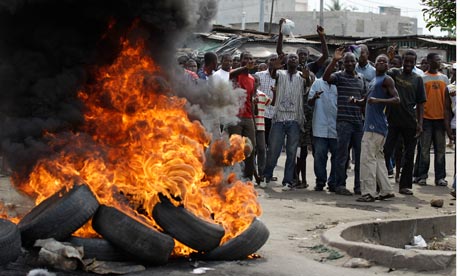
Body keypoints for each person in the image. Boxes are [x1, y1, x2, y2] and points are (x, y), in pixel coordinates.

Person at [352, 54, 400, 202]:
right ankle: (386, 190)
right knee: (378, 159)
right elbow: (365, 101)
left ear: (388, 66)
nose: (380, 63)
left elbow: (397, 99)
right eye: (378, 60)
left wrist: (378, 100)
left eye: (384, 61)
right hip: (373, 125)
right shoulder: (374, 81)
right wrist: (356, 101)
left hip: (375, 126)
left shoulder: (387, 79)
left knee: (367, 159)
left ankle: (369, 193)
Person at [323, 47, 368, 196]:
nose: (349, 64)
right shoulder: (339, 76)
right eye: (346, 61)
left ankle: (358, 186)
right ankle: (340, 184)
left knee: (360, 156)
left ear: (356, 62)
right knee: (342, 155)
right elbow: (325, 78)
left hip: (358, 122)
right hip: (343, 122)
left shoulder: (361, 78)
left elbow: (364, 101)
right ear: (343, 63)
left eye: (352, 61)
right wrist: (334, 60)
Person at [383, 49, 426, 195]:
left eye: (411, 62)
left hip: (410, 122)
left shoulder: (418, 79)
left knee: (409, 154)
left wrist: (420, 123)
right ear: (402, 61)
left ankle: (405, 185)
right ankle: (381, 184)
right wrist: (389, 57)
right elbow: (384, 73)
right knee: (386, 151)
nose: (408, 64)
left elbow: (421, 104)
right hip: (392, 121)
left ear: (415, 63)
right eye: (406, 61)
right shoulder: (394, 73)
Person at [413, 53, 453, 187]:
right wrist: (419, 121)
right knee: (424, 150)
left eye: (439, 59)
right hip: (426, 119)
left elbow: (448, 102)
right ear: (429, 61)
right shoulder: (422, 78)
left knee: (440, 150)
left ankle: (440, 177)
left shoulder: (444, 78)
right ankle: (422, 176)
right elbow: (419, 102)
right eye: (437, 59)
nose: (439, 61)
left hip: (441, 120)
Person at [307, 60, 338, 192]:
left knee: (337, 156)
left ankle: (333, 182)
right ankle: (320, 181)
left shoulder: (340, 84)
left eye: (336, 67)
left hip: (336, 127)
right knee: (320, 156)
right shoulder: (318, 83)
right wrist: (314, 98)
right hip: (320, 126)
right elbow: (309, 102)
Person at [227, 51, 257, 181]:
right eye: (246, 58)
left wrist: (253, 119)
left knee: (251, 148)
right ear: (241, 60)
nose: (249, 60)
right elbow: (230, 74)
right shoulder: (235, 74)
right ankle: (233, 176)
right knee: (235, 148)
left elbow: (251, 99)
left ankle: (248, 176)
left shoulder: (252, 79)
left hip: (248, 117)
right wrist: (245, 67)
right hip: (235, 117)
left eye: (251, 58)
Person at [252, 74, 272, 187]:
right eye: (253, 81)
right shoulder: (246, 95)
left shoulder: (262, 95)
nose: (255, 83)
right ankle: (253, 174)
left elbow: (270, 103)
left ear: (259, 83)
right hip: (250, 126)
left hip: (261, 127)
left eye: (256, 81)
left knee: (261, 150)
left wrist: (275, 91)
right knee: (251, 151)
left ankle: (262, 174)